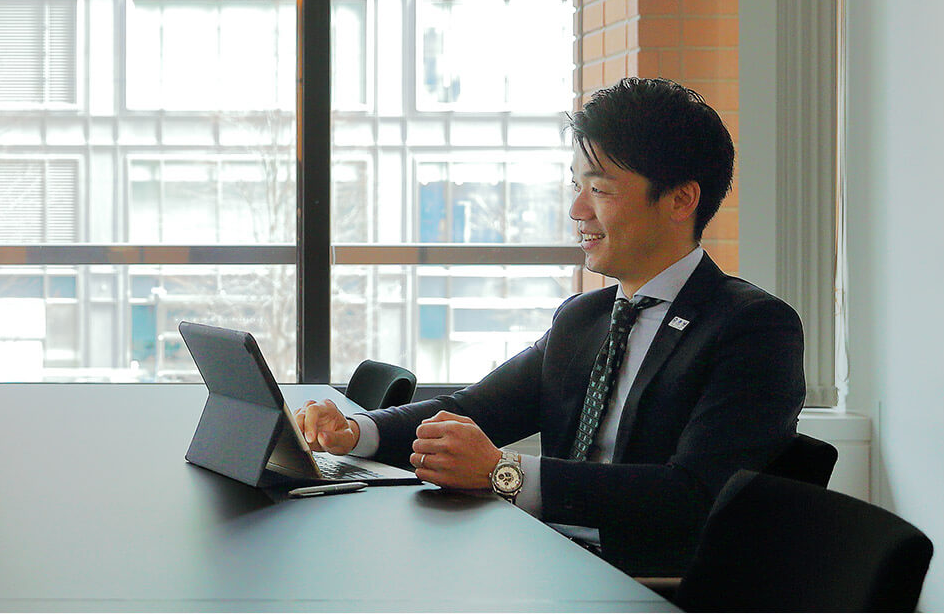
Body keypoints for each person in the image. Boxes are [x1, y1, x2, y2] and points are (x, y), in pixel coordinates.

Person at [294, 78, 804, 575]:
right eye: (575, 187)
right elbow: (469, 410)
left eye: (599, 190)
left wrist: (501, 474)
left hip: (643, 584)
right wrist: (353, 432)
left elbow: (692, 495)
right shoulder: (583, 317)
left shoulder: (753, 328)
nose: (576, 211)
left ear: (680, 200)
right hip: (543, 557)